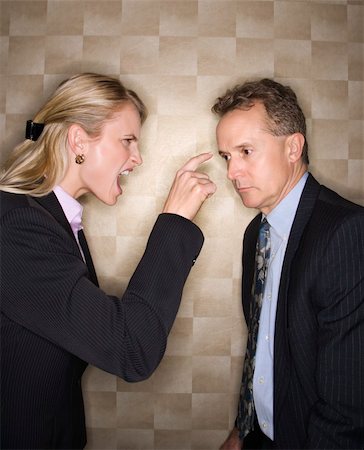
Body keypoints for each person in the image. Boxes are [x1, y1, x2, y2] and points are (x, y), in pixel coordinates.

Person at [0, 73, 216, 449]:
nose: (138, 158)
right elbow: (131, 348)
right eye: (128, 140)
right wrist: (176, 221)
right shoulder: (16, 226)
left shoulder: (55, 221)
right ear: (78, 139)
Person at [213, 78, 364, 449]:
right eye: (227, 156)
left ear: (293, 147)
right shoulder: (256, 234)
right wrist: (241, 429)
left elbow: (348, 402)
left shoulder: (346, 232)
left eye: (246, 151)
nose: (232, 172)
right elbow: (262, 347)